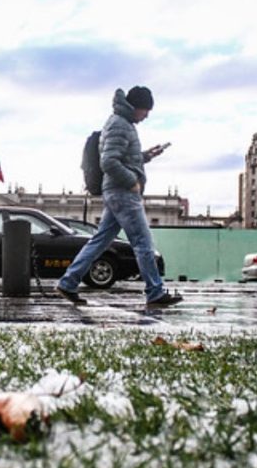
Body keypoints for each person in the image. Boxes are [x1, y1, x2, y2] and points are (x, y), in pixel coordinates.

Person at [55, 86, 182, 308]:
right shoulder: (120, 125)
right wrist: (132, 182)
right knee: (143, 243)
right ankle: (155, 292)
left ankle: (68, 282)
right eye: (145, 110)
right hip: (123, 193)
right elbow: (109, 162)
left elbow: (122, 158)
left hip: (117, 192)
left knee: (99, 241)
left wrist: (145, 156)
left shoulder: (120, 123)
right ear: (136, 106)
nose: (147, 115)